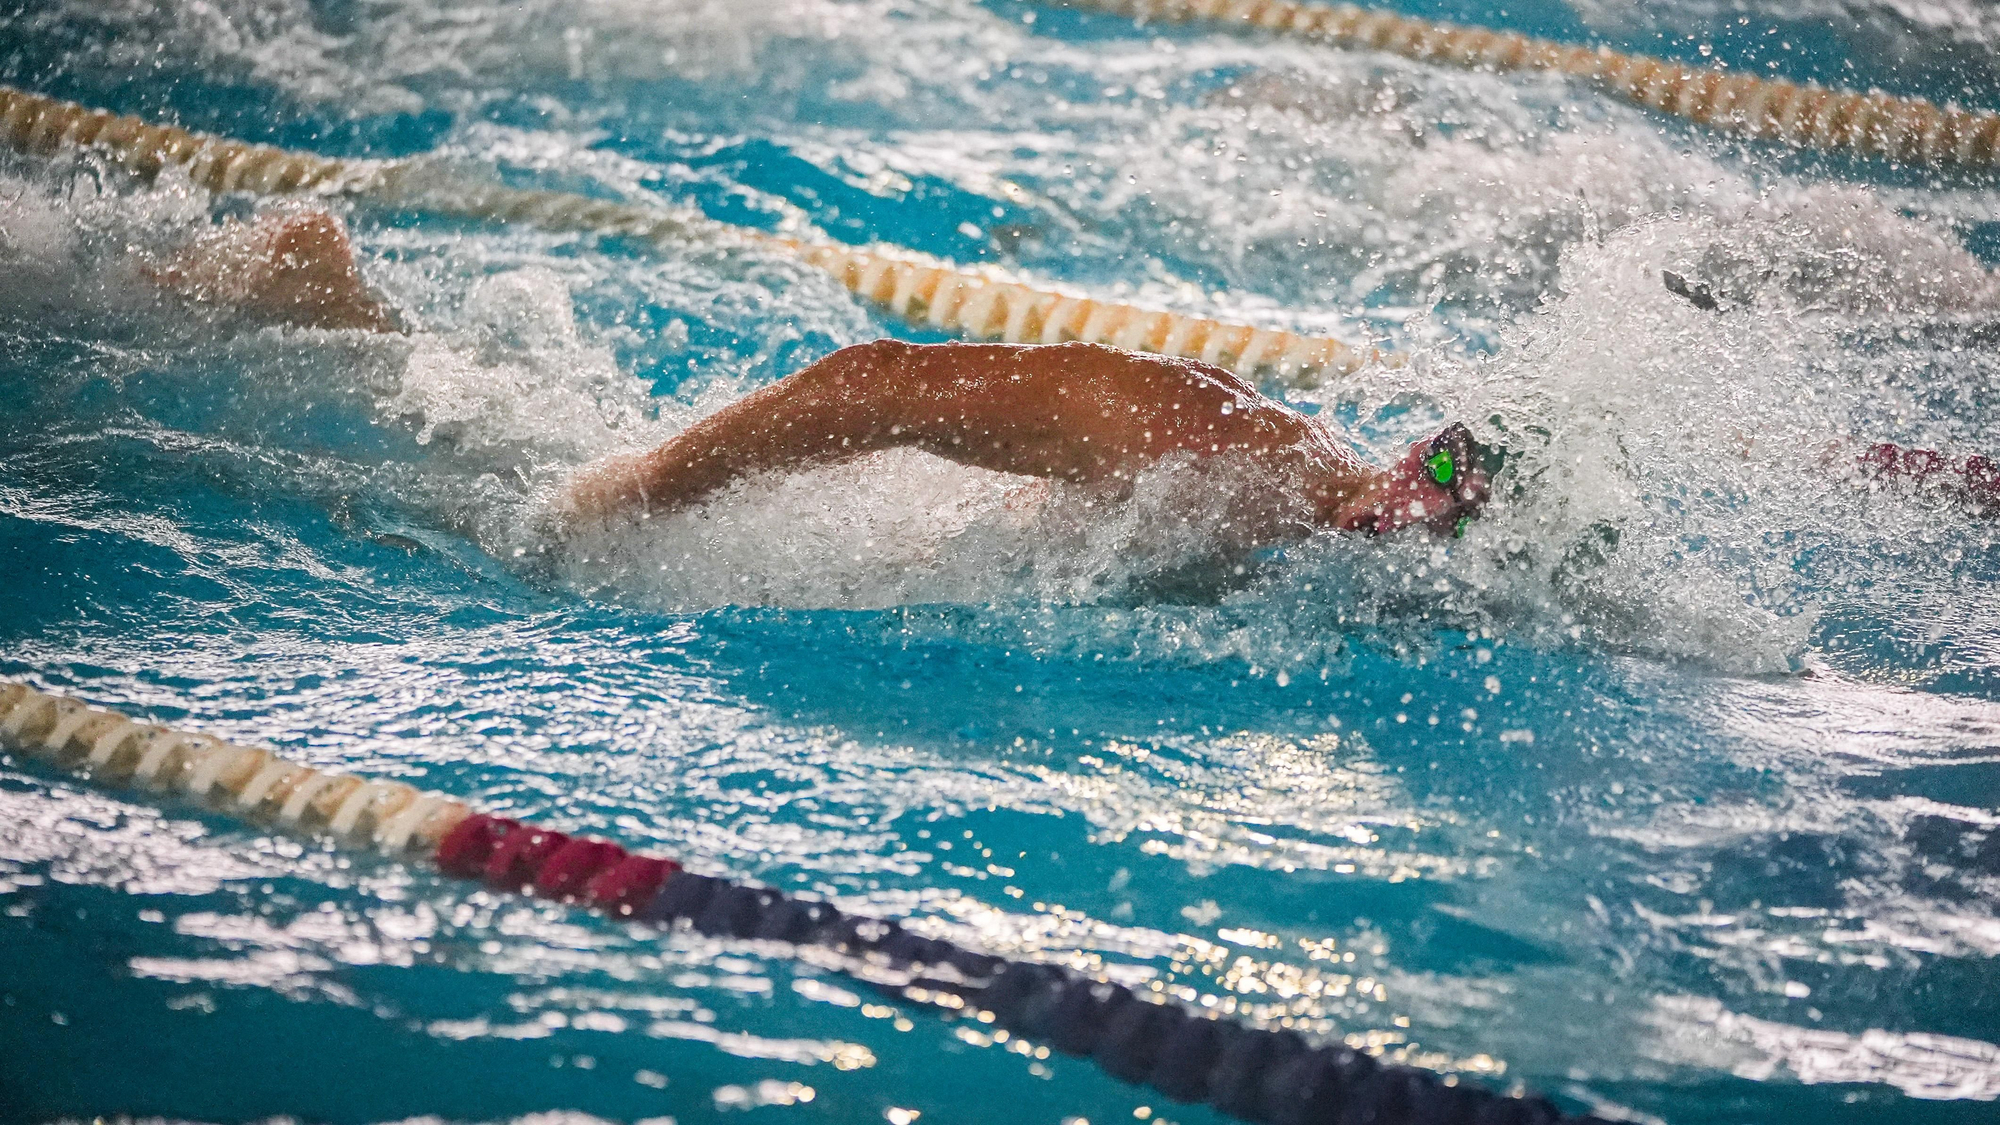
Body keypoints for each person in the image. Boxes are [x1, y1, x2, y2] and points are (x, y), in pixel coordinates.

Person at [557, 339, 1497, 548]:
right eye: (1442, 462)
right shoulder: (1199, 436)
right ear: (1415, 451)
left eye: (1457, 506)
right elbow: (873, 384)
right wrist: (635, 492)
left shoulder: (1401, 590)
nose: (1423, 500)